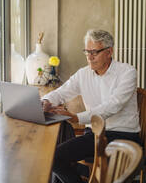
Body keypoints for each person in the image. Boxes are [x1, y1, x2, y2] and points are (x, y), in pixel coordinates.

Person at [42, 29, 141, 183]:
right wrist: (46, 102)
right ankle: (85, 174)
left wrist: (77, 117)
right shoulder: (83, 74)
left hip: (123, 135)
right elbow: (61, 92)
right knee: (55, 157)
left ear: (109, 52)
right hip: (94, 134)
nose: (89, 56)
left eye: (94, 52)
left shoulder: (127, 72)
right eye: (87, 52)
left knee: (56, 158)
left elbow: (112, 106)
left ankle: (84, 173)